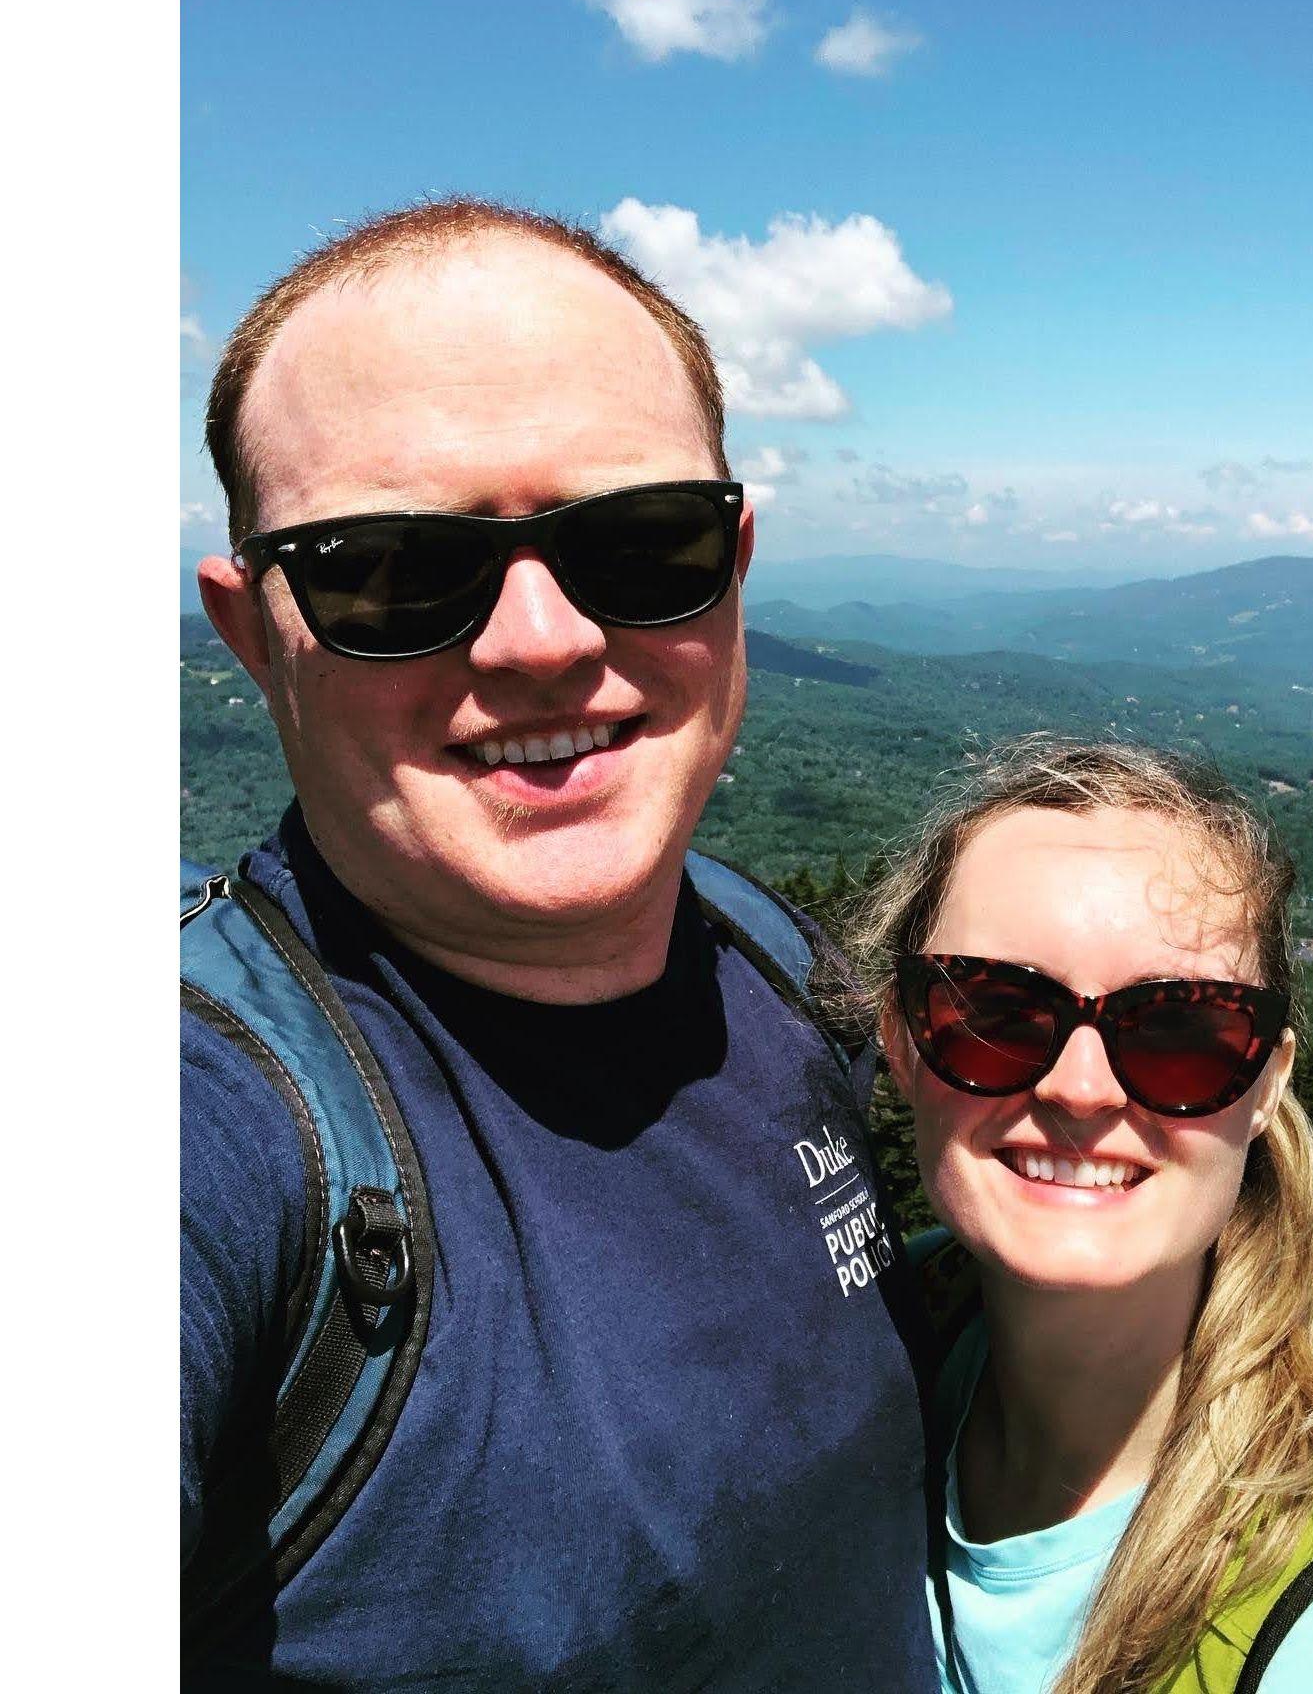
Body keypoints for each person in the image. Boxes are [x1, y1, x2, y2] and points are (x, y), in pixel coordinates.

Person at [182, 199, 937, 1689]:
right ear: (255, 632)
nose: (540, 637)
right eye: (391, 569)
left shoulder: (779, 968)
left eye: (641, 543)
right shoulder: (219, 1126)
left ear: (734, 569)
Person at [848, 738, 1313, 1693]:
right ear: (901, 1040)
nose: (1081, 1088)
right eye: (998, 1012)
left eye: (1179, 1029)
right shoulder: (881, 1350)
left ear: (1266, 1084)